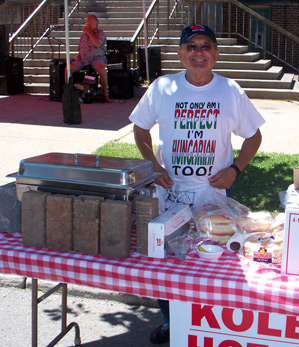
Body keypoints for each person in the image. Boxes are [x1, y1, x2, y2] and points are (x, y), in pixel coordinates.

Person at [128, 24, 265, 344]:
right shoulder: (162, 87)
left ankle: (206, 326)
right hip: (168, 191)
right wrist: (152, 163)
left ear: (215, 54)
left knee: (211, 259)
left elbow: (253, 136)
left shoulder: (231, 91)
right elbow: (140, 128)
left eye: (206, 46)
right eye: (191, 46)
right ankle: (169, 320)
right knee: (166, 260)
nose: (198, 52)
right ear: (180, 54)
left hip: (213, 193)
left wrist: (236, 169)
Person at [66, 14, 110, 102]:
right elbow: (80, 47)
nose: (88, 24)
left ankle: (105, 94)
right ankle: (69, 92)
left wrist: (89, 32)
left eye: (90, 22)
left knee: (101, 69)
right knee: (68, 69)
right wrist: (79, 56)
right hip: (83, 59)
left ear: (96, 23)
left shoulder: (100, 33)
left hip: (96, 58)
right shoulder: (83, 36)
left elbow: (97, 44)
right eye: (87, 22)